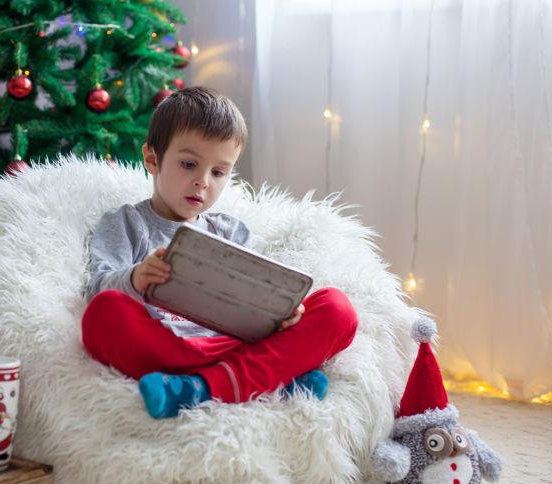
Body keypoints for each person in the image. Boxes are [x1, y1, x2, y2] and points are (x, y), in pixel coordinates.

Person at [82, 87, 358, 419]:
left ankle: (198, 390)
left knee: (337, 309)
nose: (202, 182)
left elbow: (251, 308)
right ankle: (268, 383)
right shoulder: (126, 223)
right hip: (170, 347)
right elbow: (96, 287)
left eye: (218, 172)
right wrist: (135, 277)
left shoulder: (231, 231)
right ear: (152, 159)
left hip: (233, 345)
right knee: (103, 313)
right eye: (188, 164)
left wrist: (279, 317)